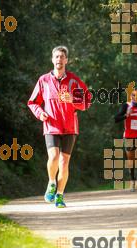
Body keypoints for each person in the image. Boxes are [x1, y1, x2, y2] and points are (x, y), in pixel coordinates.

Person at [28, 46, 91, 208]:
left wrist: (73, 100)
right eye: (56, 57)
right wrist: (40, 113)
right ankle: (51, 182)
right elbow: (33, 102)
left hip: (70, 127)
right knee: (54, 157)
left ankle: (60, 196)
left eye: (62, 57)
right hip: (51, 126)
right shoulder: (43, 80)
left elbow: (87, 101)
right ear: (52, 60)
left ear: (66, 60)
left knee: (64, 162)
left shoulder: (74, 81)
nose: (59, 59)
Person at [115, 86, 137, 191]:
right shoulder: (126, 106)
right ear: (130, 96)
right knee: (131, 161)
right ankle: (132, 182)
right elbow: (116, 119)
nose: (135, 97)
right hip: (129, 136)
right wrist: (126, 115)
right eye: (133, 95)